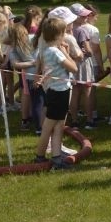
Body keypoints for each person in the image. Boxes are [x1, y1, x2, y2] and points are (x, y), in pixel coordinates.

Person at [32, 16, 78, 170]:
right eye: (64, 33)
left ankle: (57, 158)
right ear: (59, 35)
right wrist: (65, 52)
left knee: (58, 126)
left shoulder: (46, 51)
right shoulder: (56, 52)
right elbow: (74, 68)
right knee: (49, 126)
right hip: (59, 93)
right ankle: (39, 156)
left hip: (55, 91)